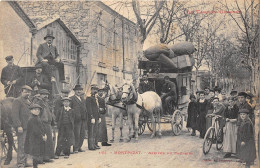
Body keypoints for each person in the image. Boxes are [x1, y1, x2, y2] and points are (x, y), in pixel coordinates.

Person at [11, 85, 32, 168]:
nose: (28, 94)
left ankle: (25, 161)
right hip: (22, 127)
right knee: (22, 145)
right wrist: (19, 126)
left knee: (27, 145)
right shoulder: (17, 101)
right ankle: (20, 163)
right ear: (21, 92)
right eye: (26, 92)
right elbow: (15, 115)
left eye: (29, 92)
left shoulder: (29, 101)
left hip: (28, 127)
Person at [33, 89, 55, 162]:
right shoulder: (39, 102)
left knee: (48, 141)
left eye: (47, 94)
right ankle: (40, 159)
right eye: (44, 94)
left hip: (47, 124)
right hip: (42, 124)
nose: (46, 96)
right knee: (42, 141)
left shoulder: (46, 102)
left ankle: (46, 157)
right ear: (40, 95)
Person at [24, 104, 47, 168]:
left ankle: (36, 165)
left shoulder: (37, 117)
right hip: (34, 139)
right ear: (31, 111)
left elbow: (41, 127)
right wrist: (42, 136)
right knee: (35, 154)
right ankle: (35, 166)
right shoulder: (32, 119)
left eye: (38, 109)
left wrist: (44, 134)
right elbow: (35, 130)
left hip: (37, 138)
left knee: (37, 153)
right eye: (35, 109)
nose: (37, 111)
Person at [70, 84, 87, 153]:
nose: (79, 91)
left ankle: (79, 147)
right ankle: (75, 148)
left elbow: (84, 108)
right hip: (76, 120)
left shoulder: (82, 99)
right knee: (76, 134)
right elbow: (70, 109)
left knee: (82, 134)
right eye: (77, 90)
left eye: (80, 90)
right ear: (75, 91)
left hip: (83, 119)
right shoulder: (71, 99)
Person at [86, 84, 101, 150]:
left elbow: (97, 109)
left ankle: (95, 144)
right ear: (91, 90)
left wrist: (99, 117)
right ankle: (91, 146)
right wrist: (92, 117)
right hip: (92, 118)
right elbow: (89, 109)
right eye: (94, 90)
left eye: (96, 90)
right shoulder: (89, 98)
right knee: (91, 132)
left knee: (96, 131)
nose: (95, 91)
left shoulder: (96, 99)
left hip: (97, 117)